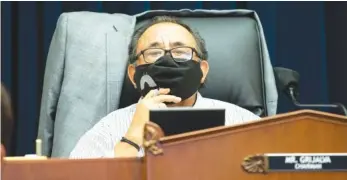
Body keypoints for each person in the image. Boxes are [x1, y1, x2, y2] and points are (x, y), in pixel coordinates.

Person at [70, 16, 260, 158]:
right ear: (132, 74)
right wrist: (132, 138)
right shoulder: (110, 129)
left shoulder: (241, 123)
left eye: (181, 51)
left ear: (202, 71)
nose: (168, 60)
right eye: (154, 52)